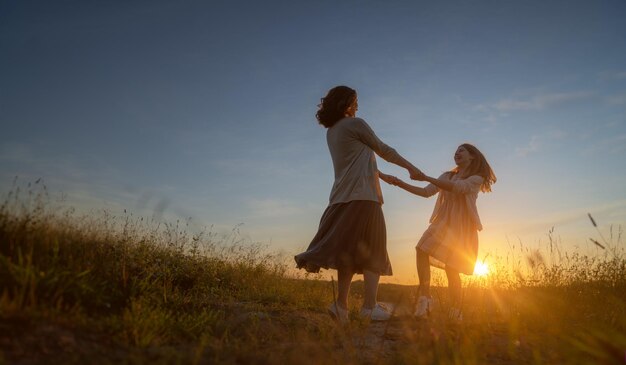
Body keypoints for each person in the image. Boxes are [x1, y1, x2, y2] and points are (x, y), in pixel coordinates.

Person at [295, 85, 422, 323]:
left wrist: (380, 175)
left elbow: (356, 159)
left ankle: (341, 306)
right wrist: (411, 167)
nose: (358, 105)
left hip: (340, 198)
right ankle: (369, 307)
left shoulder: (332, 131)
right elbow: (384, 149)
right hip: (364, 197)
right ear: (346, 103)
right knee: (374, 250)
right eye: (355, 101)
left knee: (348, 254)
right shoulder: (357, 124)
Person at [382, 143, 496, 321]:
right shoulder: (447, 175)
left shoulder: (477, 178)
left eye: (462, 150)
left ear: (472, 156)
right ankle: (425, 299)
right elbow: (426, 192)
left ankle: (455, 311)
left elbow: (458, 188)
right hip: (442, 222)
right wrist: (400, 183)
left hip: (462, 226)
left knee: (452, 269)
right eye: (456, 150)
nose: (457, 153)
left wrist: (426, 176)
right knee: (421, 249)